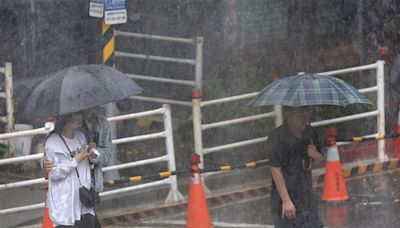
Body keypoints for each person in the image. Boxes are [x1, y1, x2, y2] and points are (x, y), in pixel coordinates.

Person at [266, 106, 324, 228]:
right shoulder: (276, 137)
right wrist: (286, 201)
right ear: (289, 115)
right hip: (285, 195)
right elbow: (275, 169)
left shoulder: (310, 133)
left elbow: (317, 161)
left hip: (306, 194)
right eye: (300, 114)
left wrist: (316, 155)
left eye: (306, 113)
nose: (304, 118)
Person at [44, 114, 100, 227]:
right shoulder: (52, 143)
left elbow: (93, 158)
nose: (73, 120)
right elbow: (54, 173)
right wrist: (75, 161)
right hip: (65, 206)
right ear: (62, 122)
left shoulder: (81, 137)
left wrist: (93, 154)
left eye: (73, 117)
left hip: (84, 200)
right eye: (69, 119)